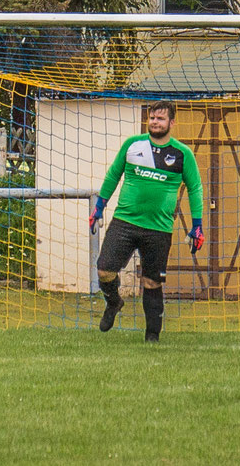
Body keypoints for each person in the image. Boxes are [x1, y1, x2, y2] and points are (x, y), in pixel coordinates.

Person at [89, 101, 203, 342]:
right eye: (152, 117)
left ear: (172, 123)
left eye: (160, 119)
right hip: (125, 222)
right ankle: (114, 301)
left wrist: (197, 225)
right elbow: (113, 175)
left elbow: (195, 188)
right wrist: (99, 207)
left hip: (159, 229)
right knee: (104, 269)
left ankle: (152, 337)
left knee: (152, 282)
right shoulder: (133, 145)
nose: (155, 122)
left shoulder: (183, 154)